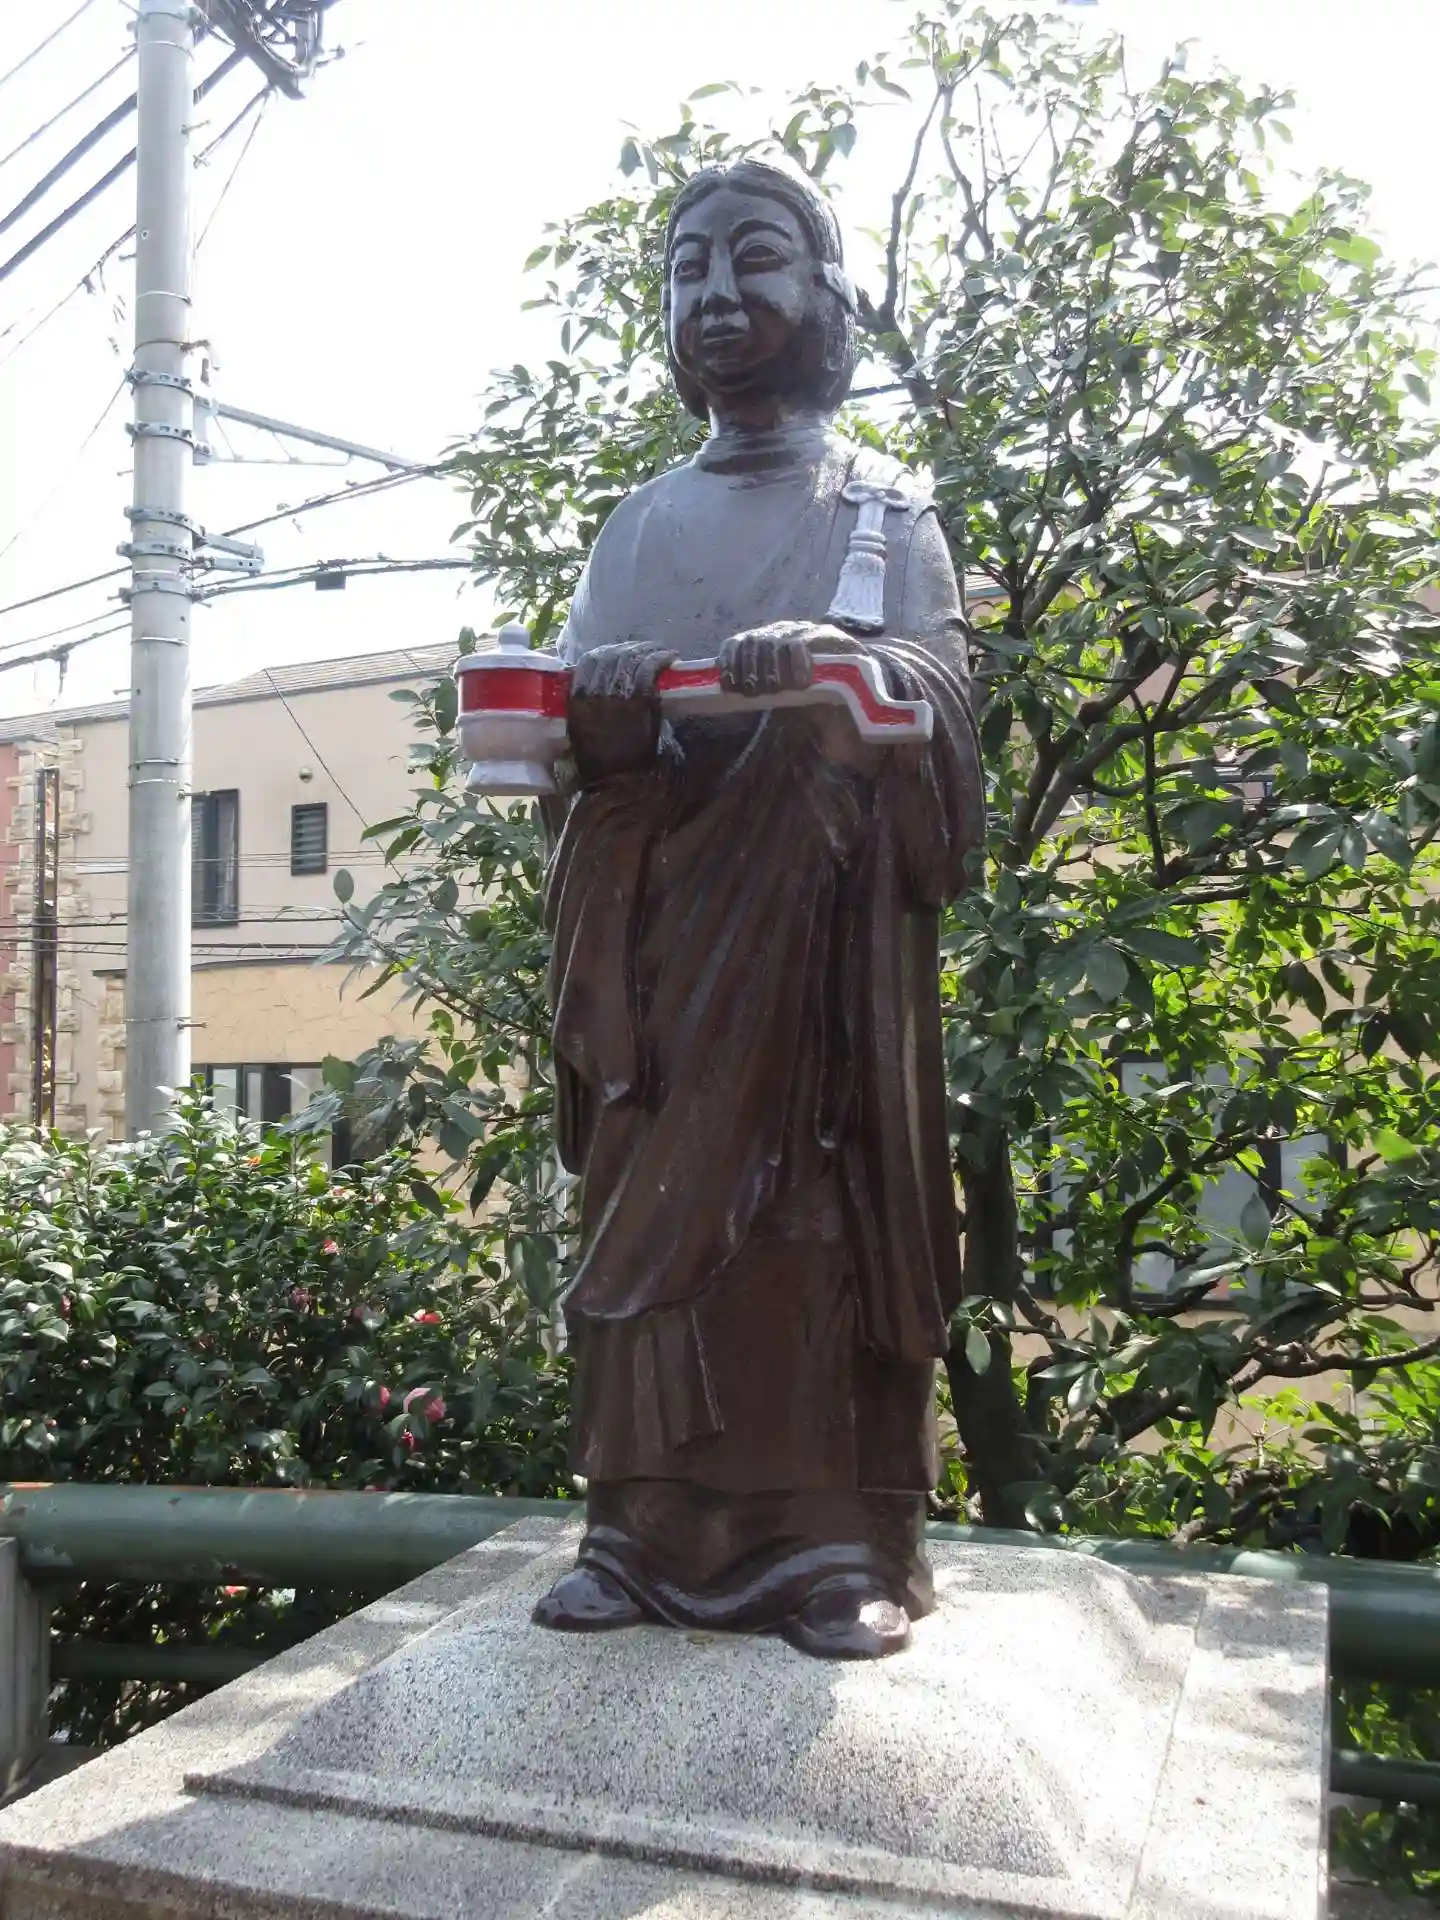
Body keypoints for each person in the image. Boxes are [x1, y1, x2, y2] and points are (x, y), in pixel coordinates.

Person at [532, 156, 984, 1659]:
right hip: (663, 957)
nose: (719, 294)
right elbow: (577, 764)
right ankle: (640, 1528)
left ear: (827, 297)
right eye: (689, 268)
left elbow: (942, 718)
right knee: (648, 1213)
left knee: (808, 1226)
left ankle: (841, 1542)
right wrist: (606, 746)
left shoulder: (884, 514)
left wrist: (845, 686)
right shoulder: (635, 528)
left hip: (820, 972)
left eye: (758, 259)